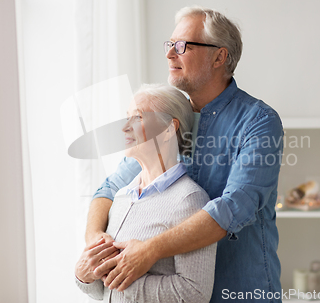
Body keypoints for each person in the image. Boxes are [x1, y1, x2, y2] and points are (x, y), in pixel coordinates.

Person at [82, 6, 284, 302]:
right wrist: (93, 243)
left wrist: (150, 249)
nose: (169, 54)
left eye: (182, 46)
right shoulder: (165, 117)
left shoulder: (258, 121)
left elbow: (232, 208)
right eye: (170, 44)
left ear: (219, 56)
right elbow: (109, 189)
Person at [75, 84, 217, 302]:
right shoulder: (122, 196)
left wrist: (118, 280)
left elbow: (194, 293)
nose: (124, 128)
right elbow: (100, 292)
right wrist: (83, 275)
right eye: (127, 117)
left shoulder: (189, 200)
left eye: (138, 117)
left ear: (169, 129)